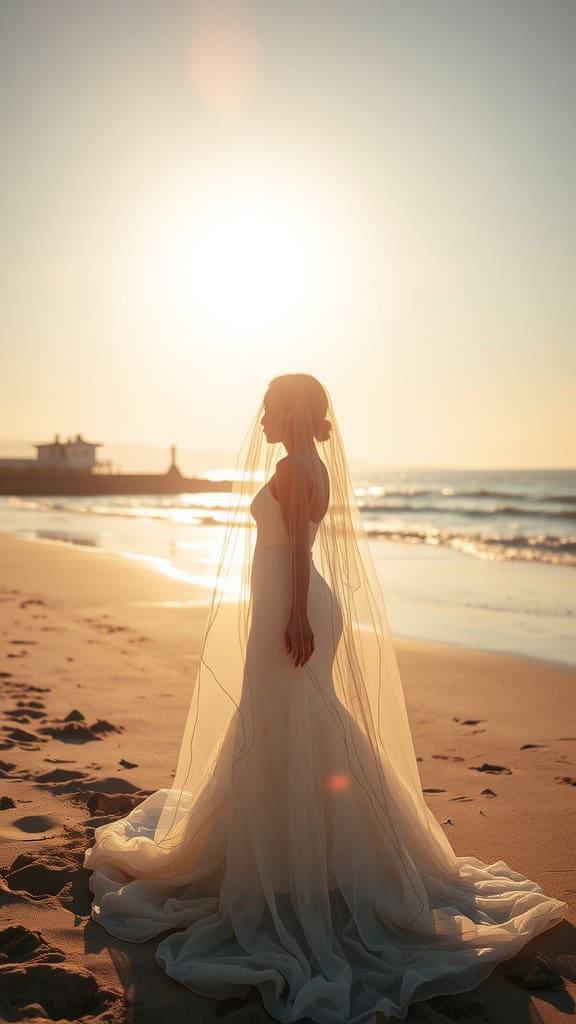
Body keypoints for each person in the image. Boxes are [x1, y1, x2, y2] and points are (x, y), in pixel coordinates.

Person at [84, 372, 566, 1024]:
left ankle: (302, 863)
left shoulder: (295, 466)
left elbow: (302, 549)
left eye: (268, 411)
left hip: (295, 609)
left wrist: (297, 617)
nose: (260, 423)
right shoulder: (306, 462)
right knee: (295, 726)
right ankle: (303, 853)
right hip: (295, 605)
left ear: (290, 412)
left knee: (292, 723)